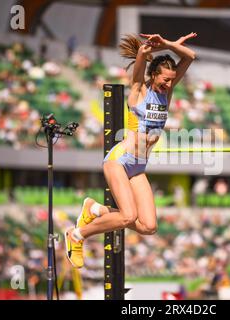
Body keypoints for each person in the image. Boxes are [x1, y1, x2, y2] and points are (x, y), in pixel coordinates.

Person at [64, 32, 197, 268]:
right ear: (153, 74)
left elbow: (191, 56)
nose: (168, 84)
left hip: (138, 167)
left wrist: (167, 44)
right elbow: (143, 54)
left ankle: (94, 208)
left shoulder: (167, 92)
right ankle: (76, 236)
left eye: (171, 80)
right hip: (119, 161)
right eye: (164, 79)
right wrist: (149, 49)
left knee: (148, 226)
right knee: (127, 216)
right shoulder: (139, 91)